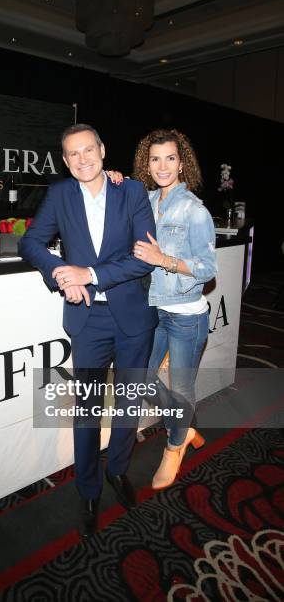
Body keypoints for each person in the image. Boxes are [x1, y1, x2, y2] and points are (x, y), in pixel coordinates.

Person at [19, 124, 157, 538]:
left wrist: (90, 273)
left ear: (102, 149)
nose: (82, 159)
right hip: (88, 321)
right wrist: (62, 274)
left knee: (129, 404)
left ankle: (117, 470)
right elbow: (31, 243)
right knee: (87, 410)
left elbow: (144, 259)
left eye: (88, 150)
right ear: (65, 160)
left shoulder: (131, 192)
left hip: (133, 317)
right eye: (72, 154)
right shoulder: (60, 194)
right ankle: (88, 488)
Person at [131, 128, 217, 489]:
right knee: (140, 381)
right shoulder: (145, 201)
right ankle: (181, 422)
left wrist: (164, 259)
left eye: (170, 158)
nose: (162, 165)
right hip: (153, 311)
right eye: (155, 158)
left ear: (182, 164)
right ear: (146, 164)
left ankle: (174, 446)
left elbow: (208, 268)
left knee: (182, 391)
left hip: (186, 316)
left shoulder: (194, 209)